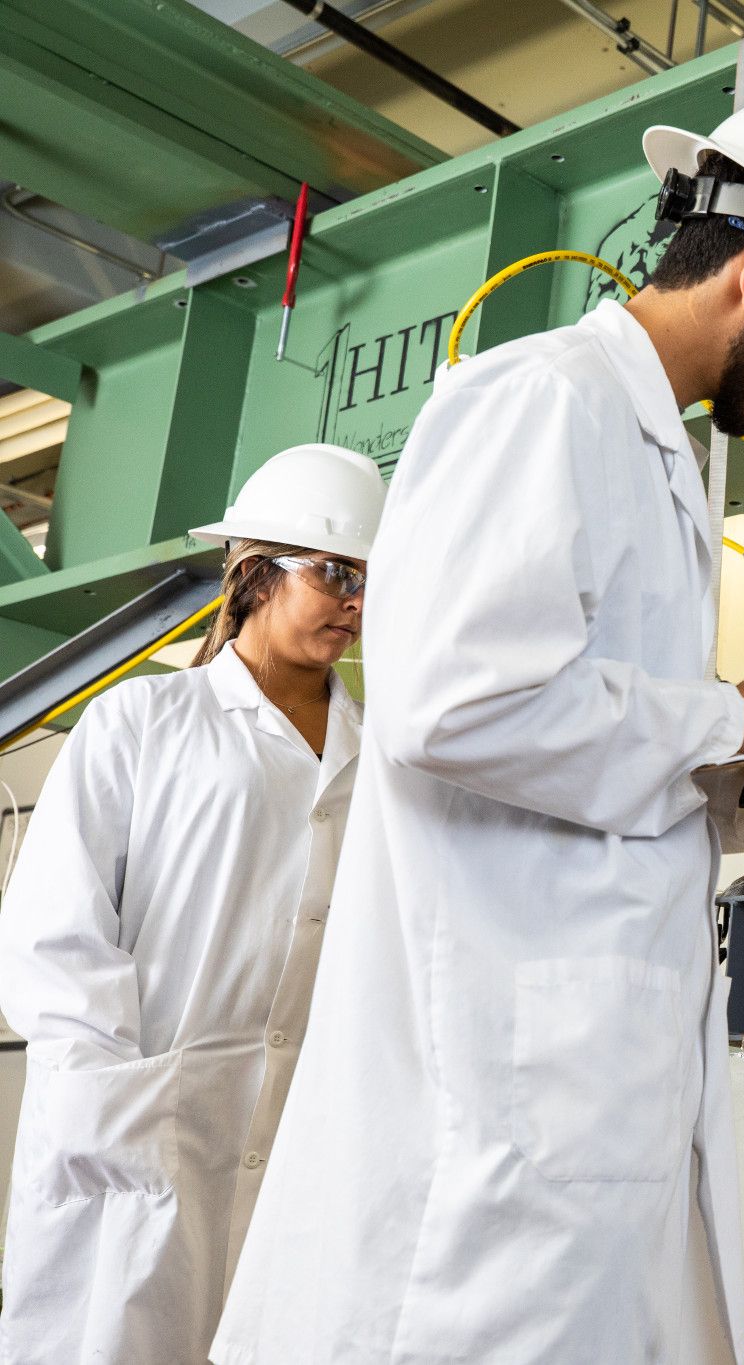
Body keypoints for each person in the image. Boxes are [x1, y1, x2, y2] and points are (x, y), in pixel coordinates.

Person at [212, 90, 744, 1364]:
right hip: (496, 1116)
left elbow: (567, 750)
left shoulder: (654, 455)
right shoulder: (543, 400)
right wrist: (731, 716)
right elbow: (453, 701)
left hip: (578, 1094)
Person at [0, 443, 384, 1363]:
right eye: (335, 573)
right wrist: (115, 1097)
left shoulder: (380, 760)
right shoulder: (142, 722)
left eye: (371, 580)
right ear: (255, 572)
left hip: (299, 1134)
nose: (356, 602)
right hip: (136, 1128)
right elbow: (53, 934)